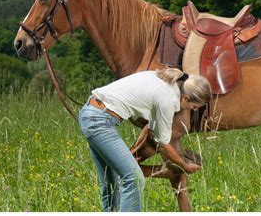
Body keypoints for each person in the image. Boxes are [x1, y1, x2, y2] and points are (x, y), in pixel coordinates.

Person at [78, 68, 212, 212]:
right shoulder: (168, 100)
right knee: (134, 178)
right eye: (195, 107)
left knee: (110, 180)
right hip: (100, 121)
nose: (195, 110)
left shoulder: (167, 83)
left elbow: (153, 130)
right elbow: (161, 142)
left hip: (92, 113)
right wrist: (183, 164)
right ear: (185, 98)